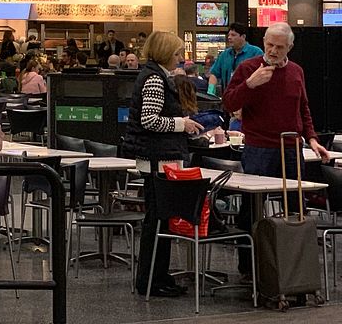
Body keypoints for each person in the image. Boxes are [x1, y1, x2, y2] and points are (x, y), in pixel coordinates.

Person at [222, 21, 329, 280]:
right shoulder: (248, 68)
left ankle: (292, 270)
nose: (273, 51)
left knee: (295, 210)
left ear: (289, 47)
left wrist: (312, 139)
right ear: (263, 43)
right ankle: (249, 270)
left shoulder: (296, 71)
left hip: (291, 148)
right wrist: (250, 84)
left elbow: (303, 108)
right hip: (258, 148)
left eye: (279, 47)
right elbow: (229, 103)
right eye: (269, 45)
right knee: (252, 209)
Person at [122, 31, 203, 297]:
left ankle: (158, 277)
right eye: (177, 53)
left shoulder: (152, 75)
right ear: (166, 53)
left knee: (158, 221)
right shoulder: (155, 80)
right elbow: (150, 120)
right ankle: (152, 281)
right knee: (157, 222)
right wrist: (182, 124)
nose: (180, 58)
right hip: (158, 159)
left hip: (155, 158)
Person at [207, 23, 262, 96]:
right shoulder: (224, 54)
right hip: (228, 98)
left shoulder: (256, 52)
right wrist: (210, 92)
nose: (229, 37)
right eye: (229, 35)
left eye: (233, 35)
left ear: (243, 36)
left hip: (249, 98)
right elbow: (214, 74)